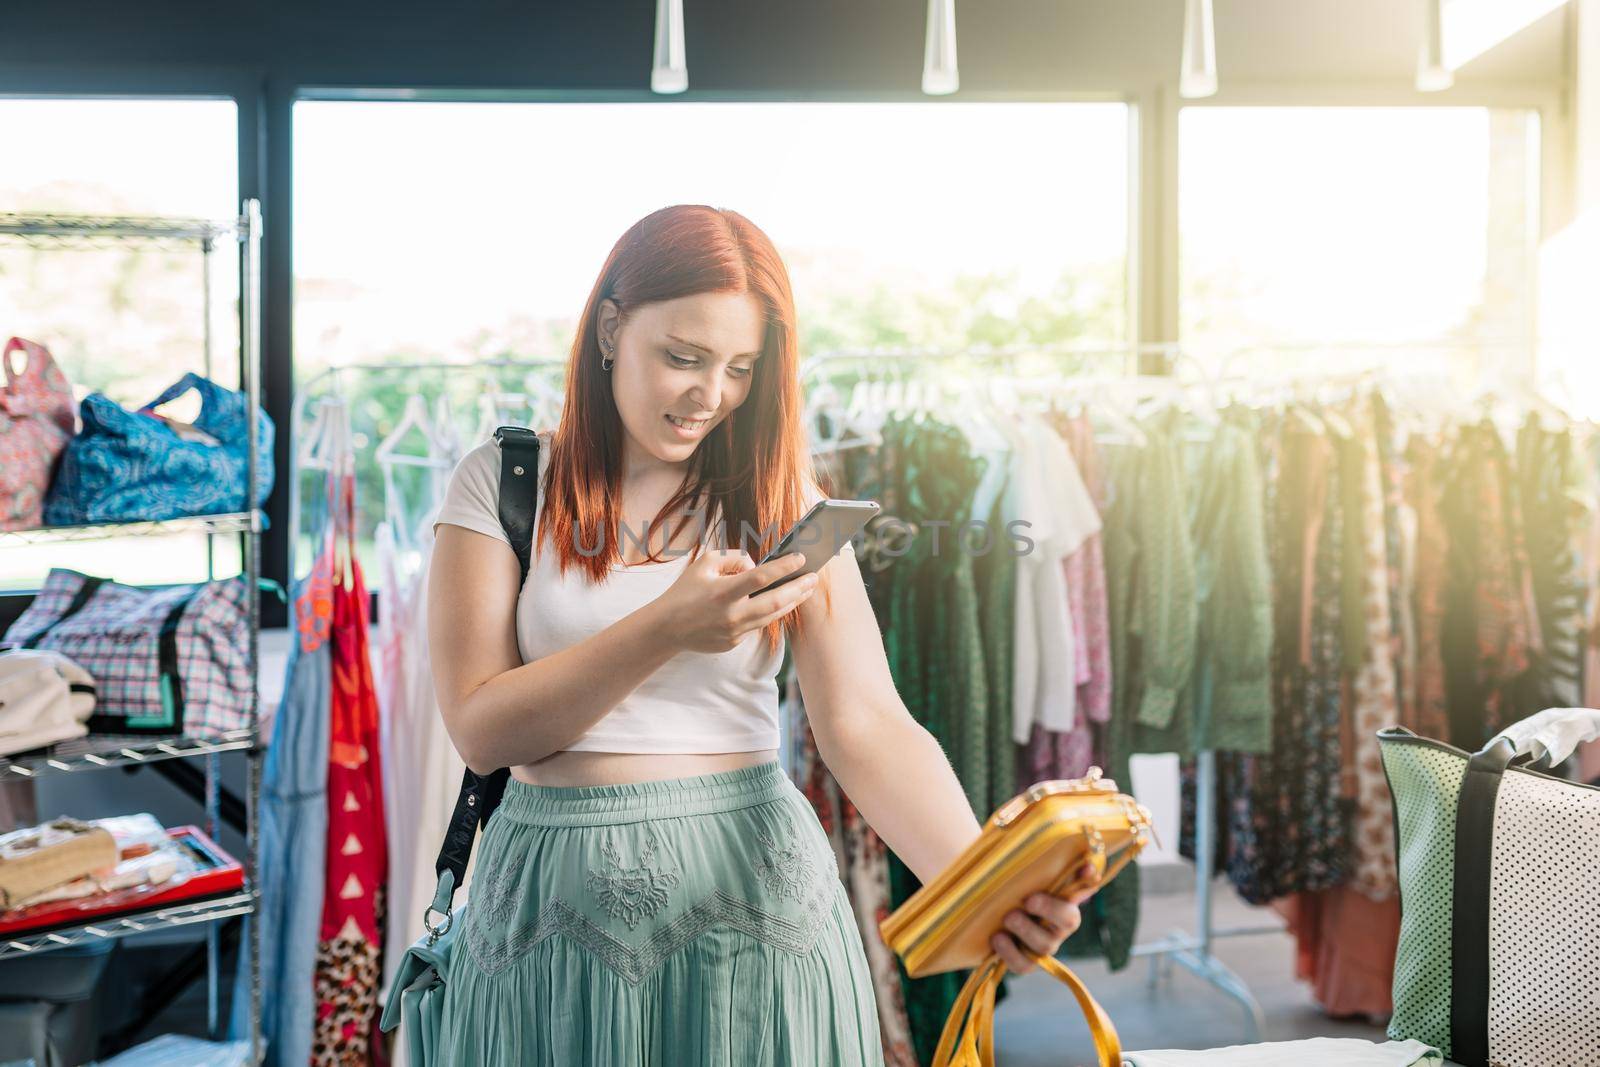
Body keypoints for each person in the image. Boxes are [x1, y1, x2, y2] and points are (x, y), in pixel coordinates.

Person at [426, 204, 1096, 1065]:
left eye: (741, 367)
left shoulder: (783, 503)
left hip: (759, 906)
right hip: (551, 913)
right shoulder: (505, 481)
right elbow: (484, 728)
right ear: (609, 328)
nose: (712, 395)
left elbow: (865, 725)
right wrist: (667, 626)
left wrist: (987, 885)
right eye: (683, 357)